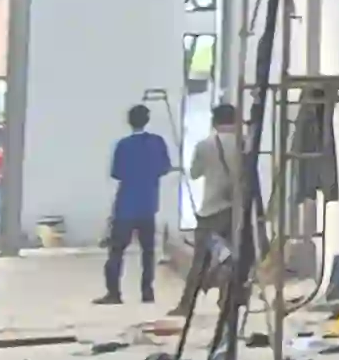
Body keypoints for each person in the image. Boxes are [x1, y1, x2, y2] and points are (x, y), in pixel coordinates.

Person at [100, 101, 173, 305]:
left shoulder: (123, 145)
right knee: (148, 251)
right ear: (147, 120)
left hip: (126, 205)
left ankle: (114, 293)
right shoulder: (158, 142)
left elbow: (116, 173)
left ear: (129, 121)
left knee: (117, 250)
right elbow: (165, 168)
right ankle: (147, 292)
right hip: (148, 204)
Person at [186, 98, 251, 299]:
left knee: (200, 258)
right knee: (235, 256)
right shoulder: (246, 143)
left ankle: (187, 302)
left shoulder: (204, 145)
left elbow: (194, 173)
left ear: (214, 122)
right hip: (238, 209)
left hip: (212, 209)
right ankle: (228, 299)